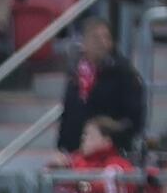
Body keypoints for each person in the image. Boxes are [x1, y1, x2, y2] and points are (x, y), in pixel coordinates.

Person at [57, 16, 146, 158]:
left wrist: (110, 128)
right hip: (76, 153)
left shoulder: (125, 73)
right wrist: (62, 148)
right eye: (95, 38)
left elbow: (136, 119)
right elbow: (67, 114)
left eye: (106, 38)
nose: (102, 43)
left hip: (113, 153)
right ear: (84, 43)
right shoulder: (75, 75)